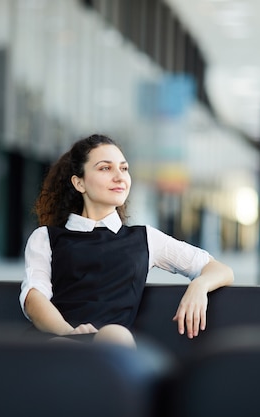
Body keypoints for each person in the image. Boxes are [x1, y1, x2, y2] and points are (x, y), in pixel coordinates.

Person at [19, 134, 234, 348]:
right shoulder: (45, 238)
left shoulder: (145, 238)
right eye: (105, 168)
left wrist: (199, 285)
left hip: (114, 352)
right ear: (79, 183)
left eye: (123, 168)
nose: (119, 176)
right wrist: (70, 334)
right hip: (57, 344)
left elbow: (219, 269)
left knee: (114, 334)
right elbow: (34, 297)